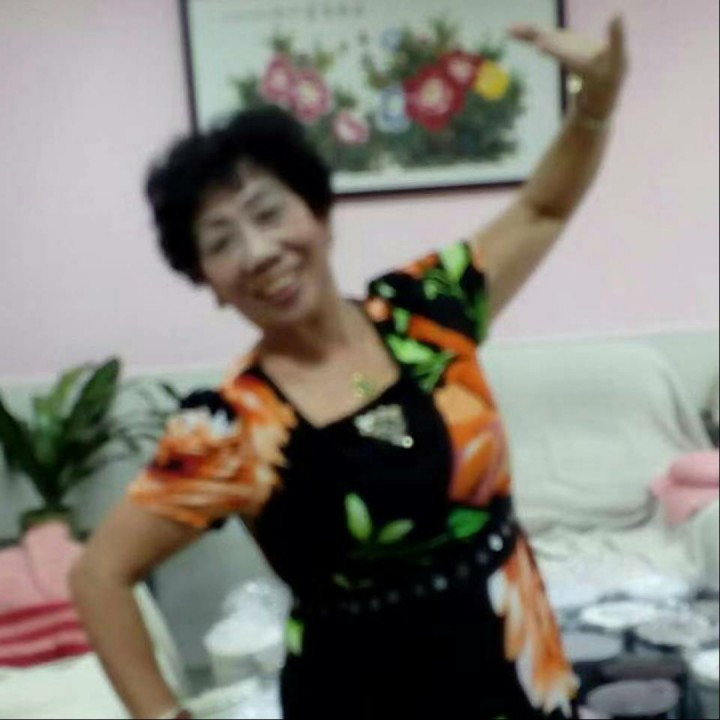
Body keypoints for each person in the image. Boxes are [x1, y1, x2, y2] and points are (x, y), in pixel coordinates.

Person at [71, 16, 628, 720]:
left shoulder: (427, 313)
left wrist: (596, 101)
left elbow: (542, 208)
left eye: (269, 213)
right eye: (222, 242)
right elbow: (99, 577)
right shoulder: (233, 425)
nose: (259, 252)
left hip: (517, 670)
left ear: (321, 216)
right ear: (208, 281)